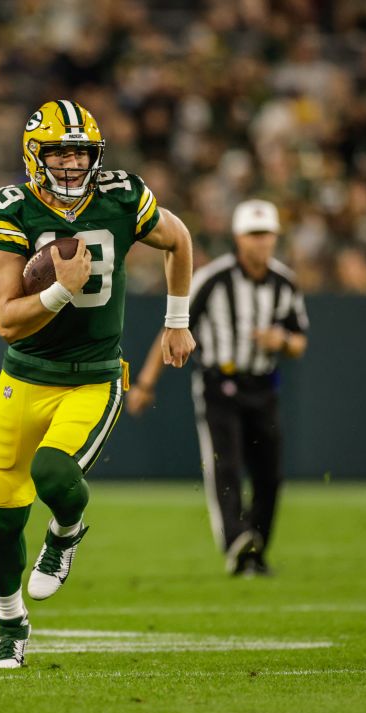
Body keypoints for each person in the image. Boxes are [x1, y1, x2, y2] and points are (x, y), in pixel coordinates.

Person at [0, 100, 196, 669]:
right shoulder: (11, 210)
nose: (73, 164)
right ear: (35, 155)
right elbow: (5, 320)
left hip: (94, 377)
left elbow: (180, 240)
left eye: (81, 152)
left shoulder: (122, 197)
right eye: (60, 151)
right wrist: (58, 290)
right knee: (2, 518)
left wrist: (177, 322)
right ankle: (10, 620)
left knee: (53, 472)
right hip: (23, 377)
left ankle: (66, 533)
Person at [126, 199, 308, 577]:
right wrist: (145, 383)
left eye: (266, 234)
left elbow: (299, 339)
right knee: (225, 465)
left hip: (263, 385)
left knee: (269, 474)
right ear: (239, 238)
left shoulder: (284, 281)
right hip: (218, 384)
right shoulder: (214, 278)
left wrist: (282, 342)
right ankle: (235, 540)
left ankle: (255, 545)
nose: (261, 242)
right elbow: (173, 326)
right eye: (254, 235)